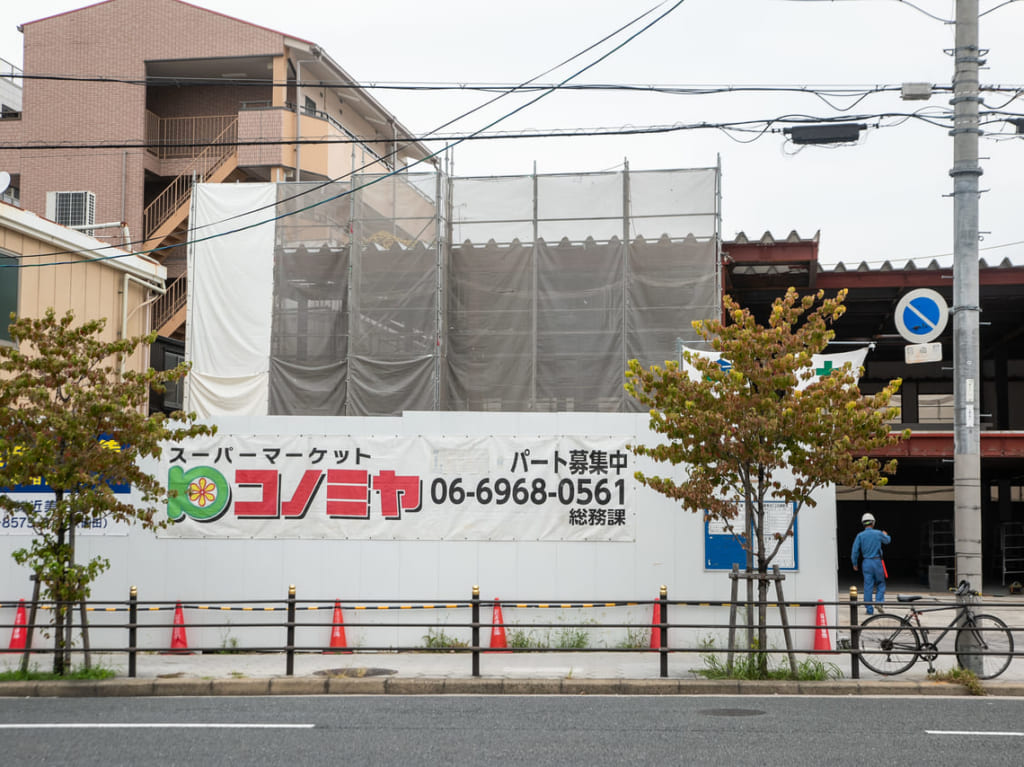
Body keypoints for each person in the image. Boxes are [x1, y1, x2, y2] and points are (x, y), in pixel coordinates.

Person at [852, 512, 891, 615]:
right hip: (877, 561)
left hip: (866, 563)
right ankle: (879, 602)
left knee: (868, 585)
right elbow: (887, 541)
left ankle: (869, 609)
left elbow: (855, 551)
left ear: (863, 523)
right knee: (881, 583)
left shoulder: (860, 535)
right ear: (873, 523)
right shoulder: (878, 533)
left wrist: (854, 563)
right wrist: (886, 535)